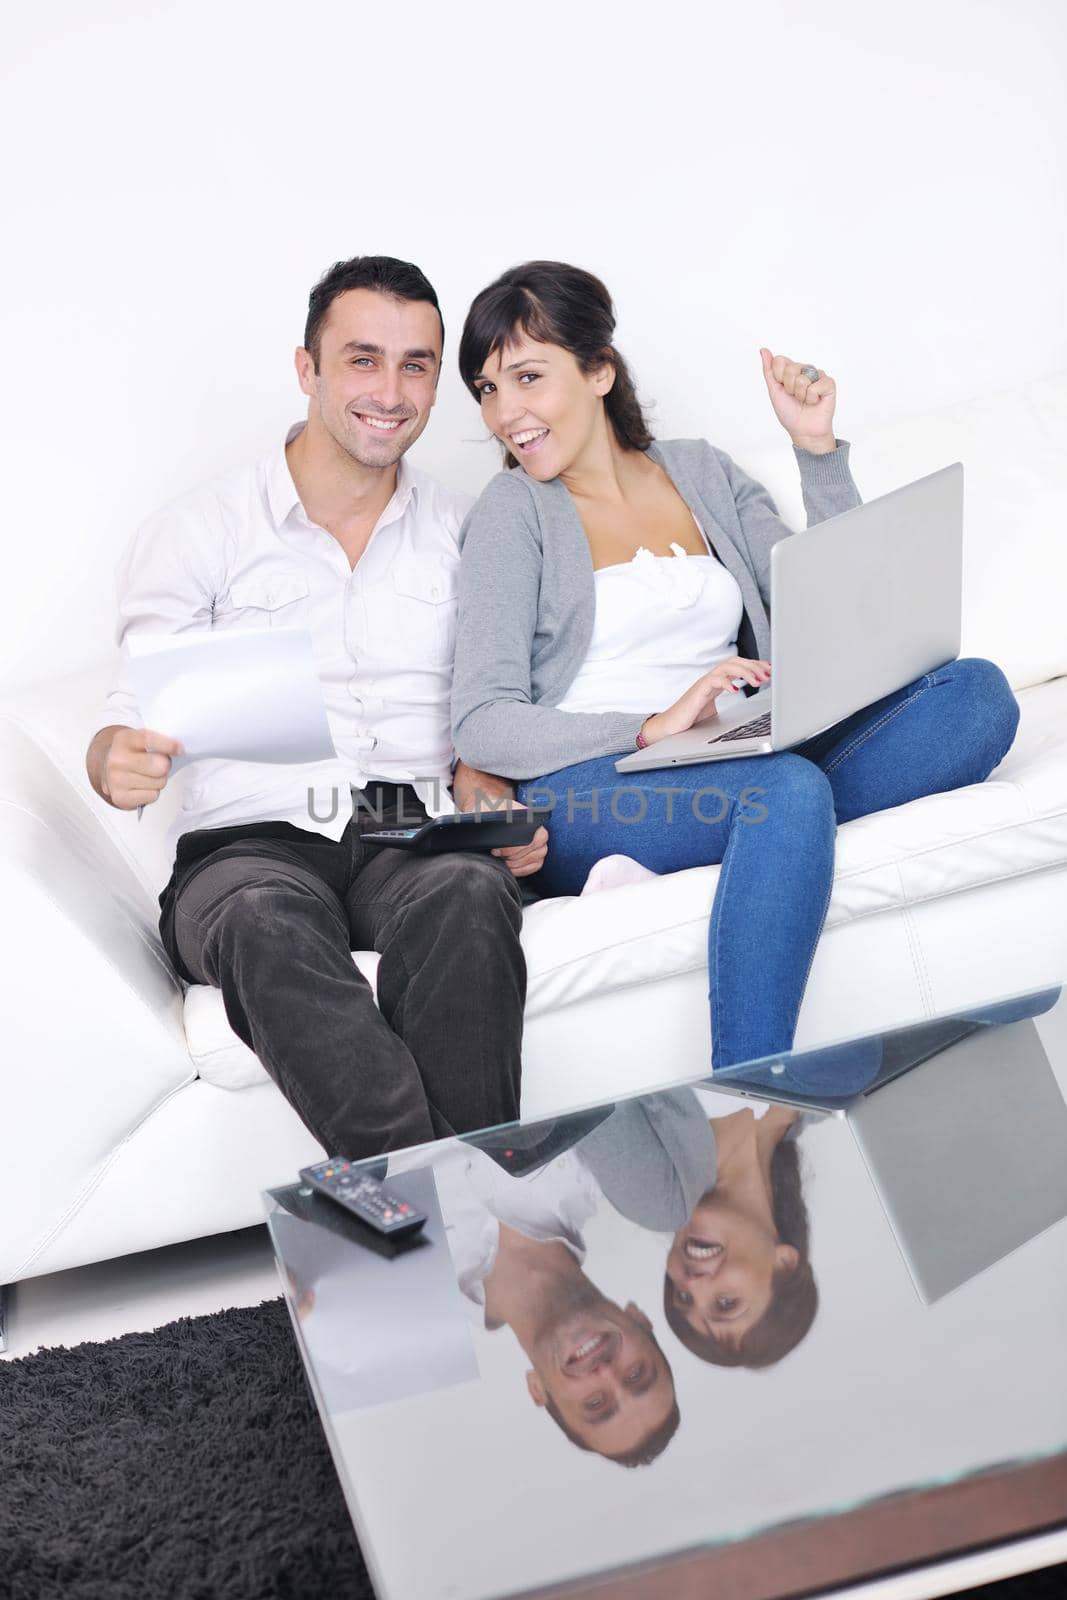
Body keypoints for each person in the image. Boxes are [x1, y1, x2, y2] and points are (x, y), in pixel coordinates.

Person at [451, 259, 1021, 1071]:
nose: (505, 413)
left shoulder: (701, 470)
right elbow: (481, 719)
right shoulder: (513, 513)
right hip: (595, 780)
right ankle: (751, 1087)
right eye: (486, 389)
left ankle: (770, 836)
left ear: (599, 370)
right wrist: (652, 725)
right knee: (784, 792)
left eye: (527, 378)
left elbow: (835, 606)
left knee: (976, 696)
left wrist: (815, 451)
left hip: (742, 745)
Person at [85, 255, 547, 1160]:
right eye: (362, 359)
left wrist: (488, 794)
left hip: (404, 824)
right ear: (308, 370)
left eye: (416, 364)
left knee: (468, 889)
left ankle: (431, 1227)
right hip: (248, 845)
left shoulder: (466, 530)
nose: (391, 389)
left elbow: (488, 702)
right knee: (262, 920)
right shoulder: (201, 529)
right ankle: (462, 1209)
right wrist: (114, 759)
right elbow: (124, 722)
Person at [422, 1134, 680, 1466]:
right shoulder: (596, 1160)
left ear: (538, 1390)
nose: (605, 1372)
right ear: (641, 1321)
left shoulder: (407, 1289)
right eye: (635, 1375)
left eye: (595, 1403)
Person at [662, 1101, 817, 1369]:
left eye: (683, 1297)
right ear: (784, 1263)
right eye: (726, 1303)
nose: (692, 1284)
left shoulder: (647, 1160)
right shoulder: (832, 1087)